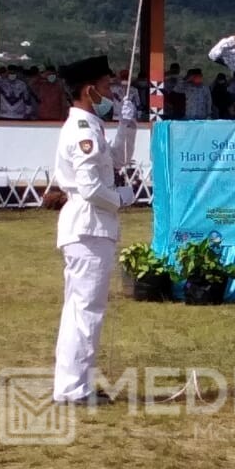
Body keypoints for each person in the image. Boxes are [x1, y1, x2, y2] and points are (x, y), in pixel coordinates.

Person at [52, 55, 136, 405]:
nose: (110, 93)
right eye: (105, 88)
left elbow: (119, 159)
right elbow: (89, 187)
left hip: (90, 226)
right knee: (86, 311)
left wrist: (128, 123)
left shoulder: (91, 126)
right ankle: (74, 390)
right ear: (89, 91)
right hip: (89, 226)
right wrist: (123, 197)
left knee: (81, 309)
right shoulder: (82, 131)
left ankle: (74, 385)